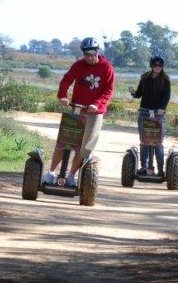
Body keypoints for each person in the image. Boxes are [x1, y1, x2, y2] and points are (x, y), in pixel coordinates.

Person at [43, 37, 115, 187]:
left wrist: (97, 104)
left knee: (85, 147)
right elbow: (66, 80)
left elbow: (108, 91)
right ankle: (50, 173)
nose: (89, 57)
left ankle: (71, 176)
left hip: (95, 113)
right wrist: (62, 95)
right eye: (86, 54)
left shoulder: (106, 67)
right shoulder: (79, 65)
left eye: (92, 54)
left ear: (97, 52)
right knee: (64, 142)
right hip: (77, 108)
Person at [129, 54, 171, 176]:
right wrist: (133, 93)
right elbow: (138, 94)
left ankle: (160, 170)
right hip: (144, 112)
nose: (157, 67)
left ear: (162, 66)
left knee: (158, 142)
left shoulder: (166, 80)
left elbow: (166, 97)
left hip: (158, 114)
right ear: (151, 65)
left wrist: (162, 109)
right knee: (144, 141)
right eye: (155, 64)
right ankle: (144, 167)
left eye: (160, 65)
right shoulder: (145, 78)